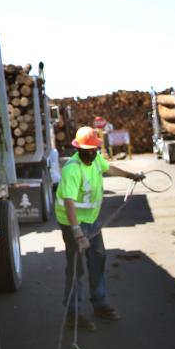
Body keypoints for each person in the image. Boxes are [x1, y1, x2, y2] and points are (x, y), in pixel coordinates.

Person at [55, 126, 144, 332]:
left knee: (98, 259)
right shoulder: (72, 169)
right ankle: (73, 314)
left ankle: (100, 303)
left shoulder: (96, 160)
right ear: (78, 149)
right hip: (72, 223)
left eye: (91, 151)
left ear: (96, 150)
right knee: (76, 268)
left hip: (91, 220)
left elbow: (109, 168)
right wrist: (77, 233)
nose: (88, 154)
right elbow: (69, 203)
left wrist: (130, 175)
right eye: (84, 151)